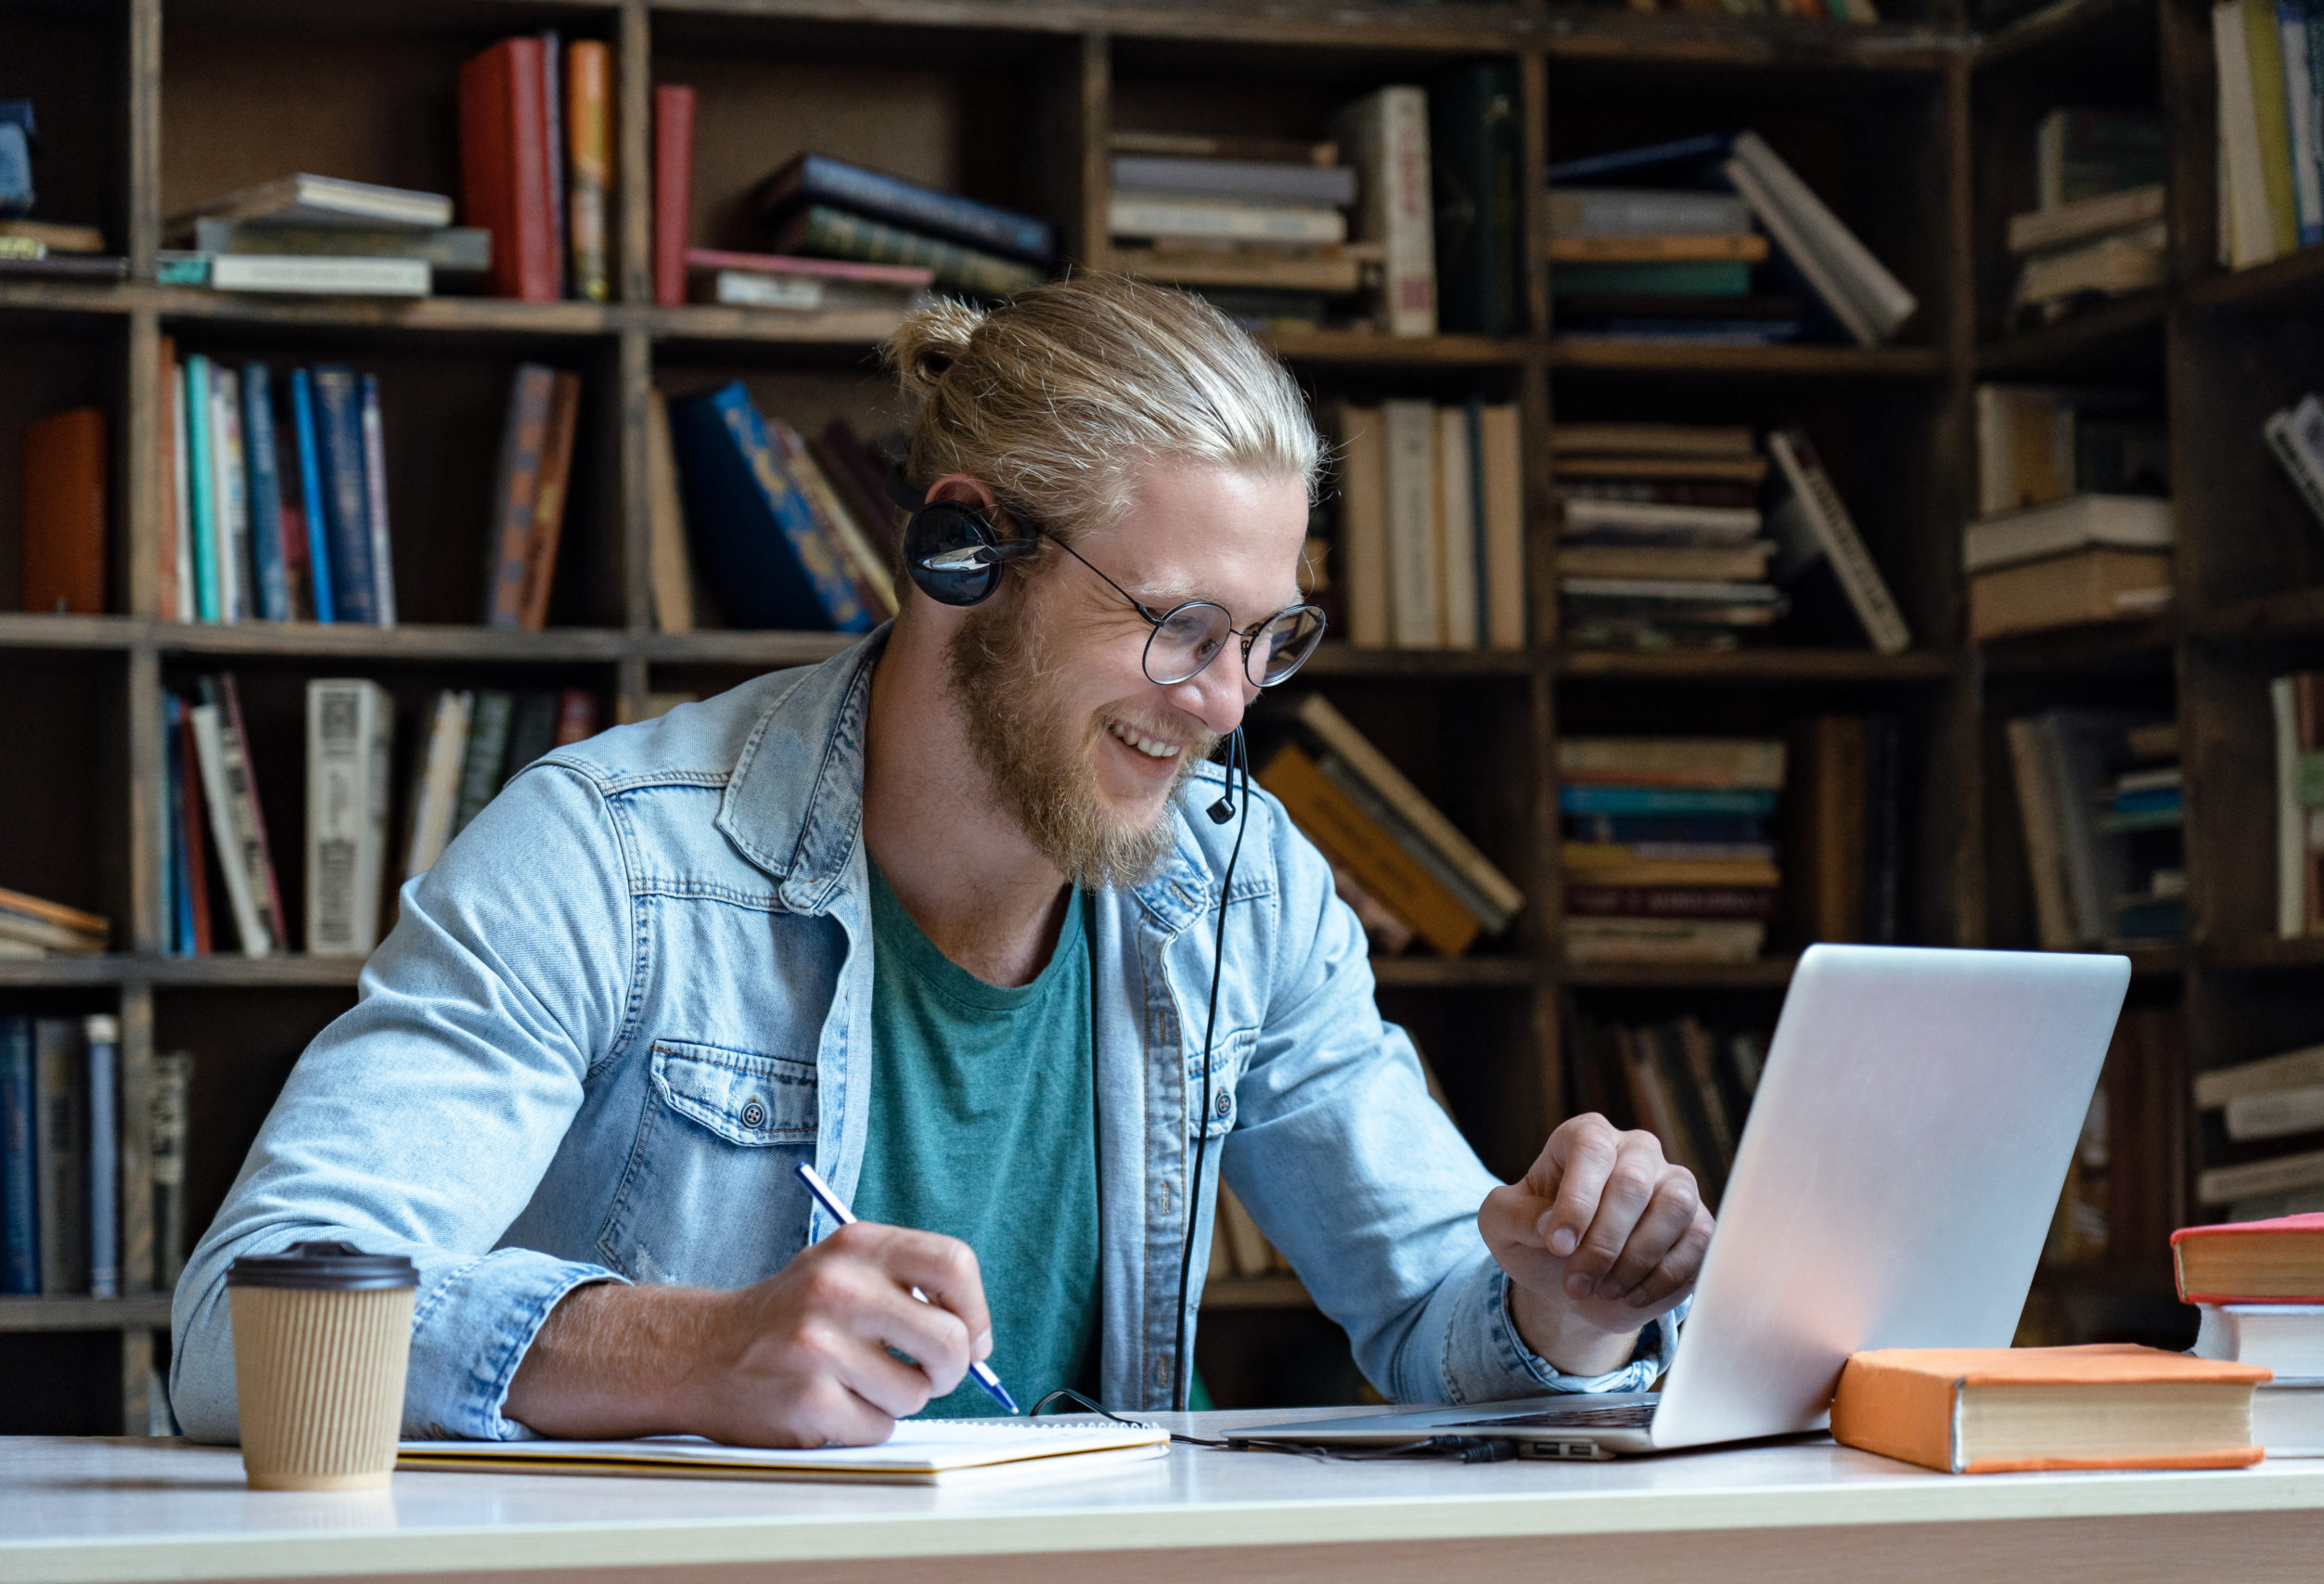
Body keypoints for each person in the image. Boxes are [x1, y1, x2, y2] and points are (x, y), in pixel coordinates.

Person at [172, 276, 1711, 1449]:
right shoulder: (606, 858)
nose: (1229, 706)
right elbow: (247, 1329)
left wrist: (1565, 1310)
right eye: (1178, 626)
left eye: (1264, 641)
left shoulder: (1246, 887)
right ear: (964, 549)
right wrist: (698, 1352)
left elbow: (1442, 1319)